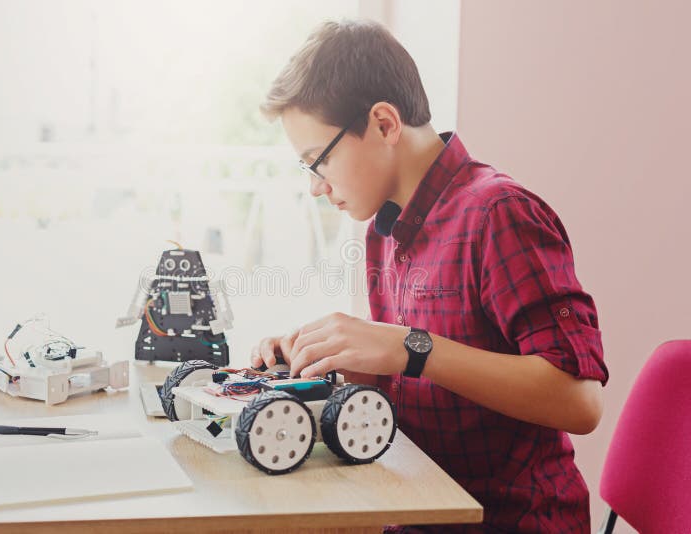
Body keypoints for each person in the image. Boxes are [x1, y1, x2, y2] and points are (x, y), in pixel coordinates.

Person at [250, 19, 609, 533]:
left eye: (318, 161)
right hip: (418, 505)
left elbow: (579, 400)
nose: (316, 187)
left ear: (384, 124)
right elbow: (418, 381)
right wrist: (324, 355)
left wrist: (410, 347)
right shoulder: (385, 228)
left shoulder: (497, 213)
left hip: (508, 521)